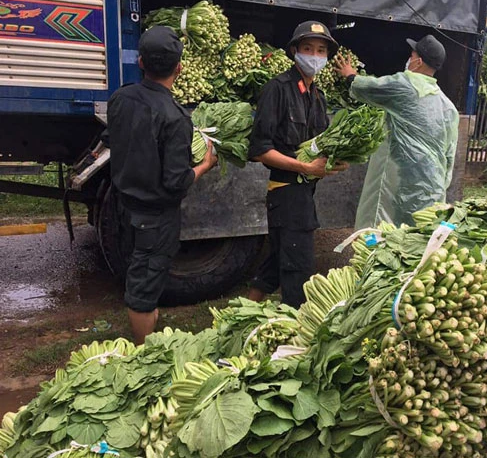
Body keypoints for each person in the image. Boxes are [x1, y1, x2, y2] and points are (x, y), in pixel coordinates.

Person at [104, 26, 218, 344]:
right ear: (179, 69)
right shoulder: (175, 117)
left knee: (139, 265)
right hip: (156, 215)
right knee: (145, 281)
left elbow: (111, 138)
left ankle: (149, 319)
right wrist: (206, 165)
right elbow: (176, 182)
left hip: (125, 206)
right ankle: (143, 352)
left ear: (140, 63)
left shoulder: (120, 99)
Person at [246, 21, 348, 308]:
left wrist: (334, 163)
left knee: (278, 260)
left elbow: (320, 148)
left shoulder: (318, 97)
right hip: (285, 193)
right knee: (298, 271)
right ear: (294, 51)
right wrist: (307, 168)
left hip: (304, 194)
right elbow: (259, 150)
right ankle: (293, 333)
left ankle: (242, 315)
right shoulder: (277, 89)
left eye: (320, 50)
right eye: (308, 49)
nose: (314, 56)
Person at [335, 35, 459, 228]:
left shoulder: (405, 84)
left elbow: (368, 88)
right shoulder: (448, 107)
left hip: (400, 179)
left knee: (383, 231)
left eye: (412, 54)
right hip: (432, 185)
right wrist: (440, 185)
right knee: (417, 237)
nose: (409, 59)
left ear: (418, 61)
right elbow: (450, 155)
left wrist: (349, 74)